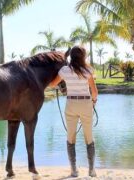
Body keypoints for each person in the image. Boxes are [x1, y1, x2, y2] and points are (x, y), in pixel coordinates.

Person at [49, 46, 98, 177]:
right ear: (83, 56)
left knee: (71, 138)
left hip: (71, 104)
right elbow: (94, 92)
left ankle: (74, 170)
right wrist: (93, 101)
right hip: (86, 104)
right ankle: (91, 170)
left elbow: (53, 84)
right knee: (89, 137)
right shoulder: (88, 69)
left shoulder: (65, 70)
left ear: (71, 56)